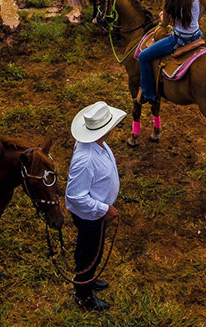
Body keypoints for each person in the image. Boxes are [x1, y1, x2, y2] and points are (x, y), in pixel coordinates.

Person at [66, 101, 125, 312]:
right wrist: (104, 209)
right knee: (91, 253)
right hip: (90, 216)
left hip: (94, 214)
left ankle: (86, 278)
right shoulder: (86, 158)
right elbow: (74, 195)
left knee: (89, 249)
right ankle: (83, 294)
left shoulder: (96, 144)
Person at [137, 0, 206, 103]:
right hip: (196, 36)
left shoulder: (169, 2)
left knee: (143, 57)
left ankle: (149, 94)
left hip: (178, 40)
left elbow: (165, 25)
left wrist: (162, 16)